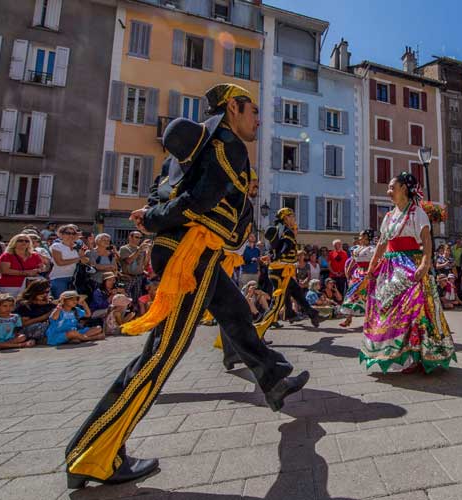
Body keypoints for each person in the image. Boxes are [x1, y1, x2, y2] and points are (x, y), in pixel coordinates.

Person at [65, 83, 308, 489]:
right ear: (233, 108)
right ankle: (94, 452)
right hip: (189, 258)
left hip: (194, 254)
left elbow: (161, 194)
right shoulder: (225, 142)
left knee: (232, 309)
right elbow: (200, 201)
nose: (258, 119)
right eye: (253, 111)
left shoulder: (191, 148)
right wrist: (158, 219)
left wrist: (154, 215)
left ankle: (272, 376)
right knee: (161, 355)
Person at [361, 172, 456, 374]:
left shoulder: (417, 213)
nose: (388, 191)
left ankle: (418, 355)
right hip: (390, 267)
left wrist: (424, 264)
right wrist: (372, 266)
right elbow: (382, 243)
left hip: (410, 265)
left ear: (404, 188)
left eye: (391, 187)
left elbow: (427, 240)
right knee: (387, 306)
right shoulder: (388, 216)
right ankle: (395, 350)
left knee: (416, 309)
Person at [254, 207, 321, 337]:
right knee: (276, 304)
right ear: (286, 217)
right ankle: (257, 332)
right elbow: (285, 248)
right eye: (292, 216)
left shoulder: (277, 230)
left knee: (296, 292)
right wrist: (275, 256)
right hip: (281, 272)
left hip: (280, 270)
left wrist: (271, 256)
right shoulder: (286, 231)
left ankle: (310, 313)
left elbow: (274, 248)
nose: (294, 219)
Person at [338, 229, 375, 327]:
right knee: (352, 295)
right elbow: (353, 261)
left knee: (365, 297)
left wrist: (372, 272)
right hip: (357, 274)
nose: (360, 237)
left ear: (367, 237)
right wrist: (348, 271)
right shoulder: (357, 249)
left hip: (367, 274)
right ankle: (348, 319)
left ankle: (370, 320)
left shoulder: (372, 249)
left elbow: (376, 261)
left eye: (361, 235)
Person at [49, 224, 89, 299]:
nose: (71, 235)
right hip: (58, 278)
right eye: (68, 233)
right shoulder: (56, 246)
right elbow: (60, 262)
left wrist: (82, 256)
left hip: (74, 279)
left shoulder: (78, 247)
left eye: (73, 233)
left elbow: (85, 261)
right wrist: (78, 259)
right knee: (61, 302)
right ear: (61, 234)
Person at [15, 279, 54, 344]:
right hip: (28, 329)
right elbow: (23, 324)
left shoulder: (49, 302)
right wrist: (45, 316)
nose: (45, 294)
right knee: (42, 326)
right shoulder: (24, 304)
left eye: (47, 292)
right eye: (42, 292)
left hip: (44, 327)